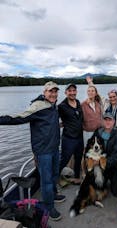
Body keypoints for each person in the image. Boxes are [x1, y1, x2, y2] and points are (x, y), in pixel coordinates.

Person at [0, 81, 65, 221]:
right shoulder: (37, 106)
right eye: (50, 91)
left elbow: (48, 123)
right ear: (44, 92)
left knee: (54, 175)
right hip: (43, 151)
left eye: (55, 91)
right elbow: (18, 118)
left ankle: (53, 195)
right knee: (46, 180)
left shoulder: (53, 106)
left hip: (54, 148)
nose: (53, 94)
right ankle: (48, 207)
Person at [93, 112, 117, 197]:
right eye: (105, 120)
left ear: (114, 122)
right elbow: (92, 146)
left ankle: (114, 181)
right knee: (98, 189)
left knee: (116, 193)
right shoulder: (98, 133)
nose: (107, 122)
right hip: (101, 164)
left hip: (113, 166)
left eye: (110, 120)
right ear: (102, 121)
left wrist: (102, 163)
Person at [58, 83, 84, 185]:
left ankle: (77, 177)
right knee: (64, 160)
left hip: (79, 138)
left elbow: (78, 118)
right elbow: (53, 119)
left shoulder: (78, 102)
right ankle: (55, 179)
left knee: (78, 159)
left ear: (76, 92)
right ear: (66, 92)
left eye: (74, 90)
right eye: (70, 91)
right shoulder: (61, 106)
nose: (72, 93)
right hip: (68, 139)